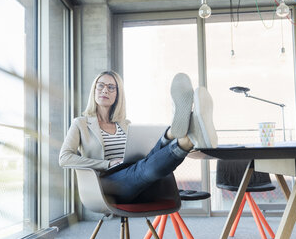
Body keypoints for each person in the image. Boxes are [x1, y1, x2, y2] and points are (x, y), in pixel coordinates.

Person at [59, 71, 217, 203]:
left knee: (146, 162)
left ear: (117, 95)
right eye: (100, 85)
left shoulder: (125, 125)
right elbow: (64, 158)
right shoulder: (80, 124)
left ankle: (182, 137)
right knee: (143, 169)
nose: (105, 90)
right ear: (94, 90)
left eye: (111, 87)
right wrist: (107, 164)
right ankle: (184, 133)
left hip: (137, 174)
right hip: (106, 183)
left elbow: (146, 156)